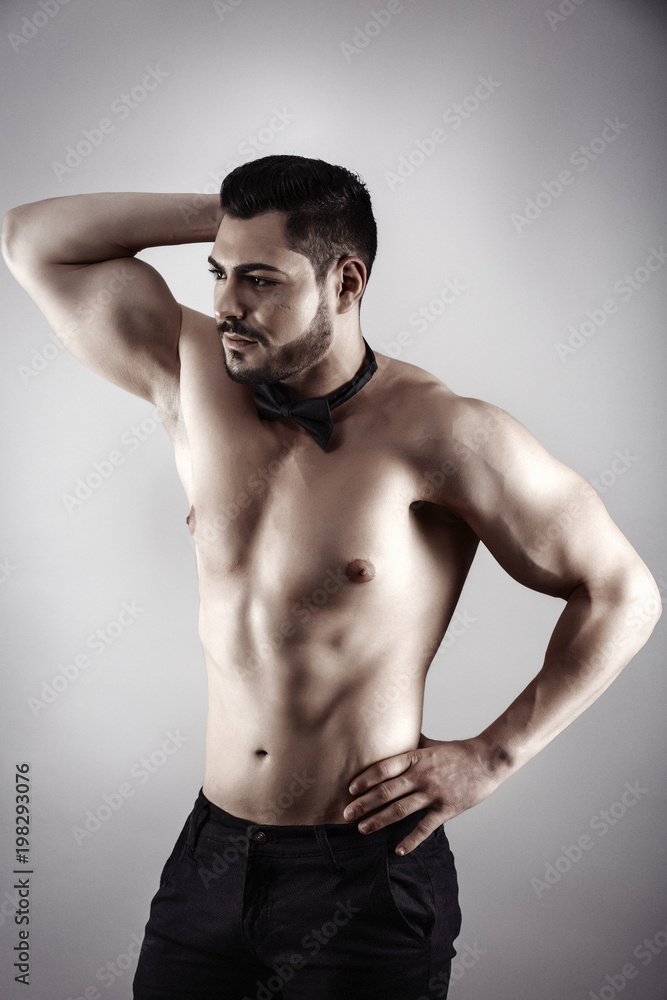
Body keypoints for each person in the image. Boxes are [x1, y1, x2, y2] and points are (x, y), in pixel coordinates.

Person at [2, 155, 660, 1000]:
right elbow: (31, 239)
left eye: (261, 280)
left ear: (345, 281)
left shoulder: (446, 433)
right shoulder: (194, 374)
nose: (226, 305)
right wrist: (234, 218)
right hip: (211, 855)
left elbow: (622, 591)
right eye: (217, 273)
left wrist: (493, 756)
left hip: (362, 876)